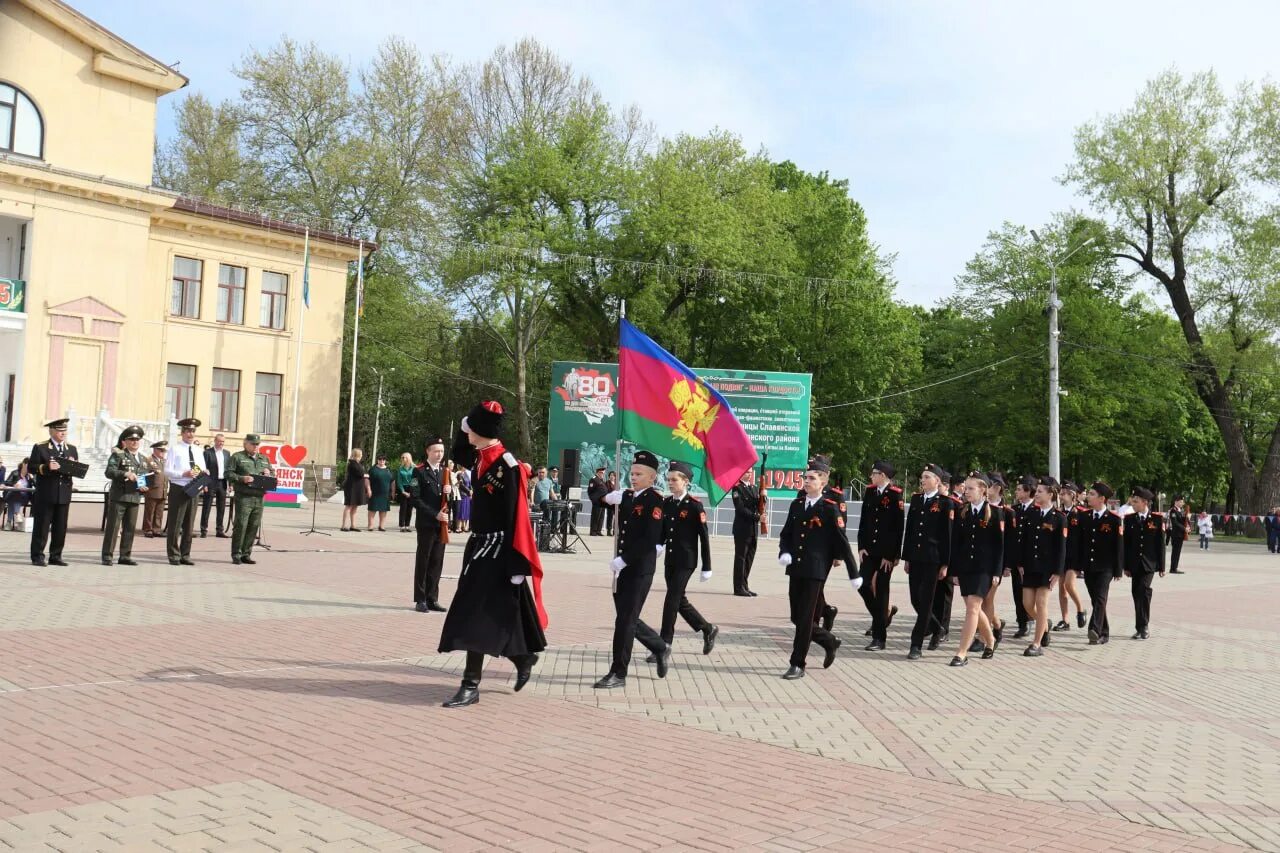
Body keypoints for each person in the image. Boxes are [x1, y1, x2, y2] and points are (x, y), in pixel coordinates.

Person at [437, 401, 548, 708]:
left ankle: (470, 684)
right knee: (504, 608)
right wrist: (466, 427)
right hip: (479, 544)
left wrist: (517, 562)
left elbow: (517, 515)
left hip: (499, 548)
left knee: (477, 613)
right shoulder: (479, 457)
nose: (467, 433)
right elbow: (458, 453)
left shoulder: (508, 465)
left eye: (471, 428)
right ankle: (523, 656)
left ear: (483, 431)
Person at [776, 456, 860, 679]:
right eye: (806, 477)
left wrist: (854, 572)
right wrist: (784, 551)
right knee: (796, 617)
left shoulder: (829, 508)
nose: (807, 480)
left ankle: (797, 663)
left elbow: (842, 540)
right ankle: (828, 640)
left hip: (816, 569)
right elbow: (786, 534)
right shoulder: (797, 505)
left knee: (805, 619)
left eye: (812, 478)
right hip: (796, 568)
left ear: (822, 483)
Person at [595, 450, 670, 689]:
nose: (634, 477)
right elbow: (596, 497)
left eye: (639, 474)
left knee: (625, 622)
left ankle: (619, 672)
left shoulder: (654, 500)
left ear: (651, 477)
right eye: (632, 472)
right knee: (627, 618)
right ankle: (660, 647)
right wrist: (607, 496)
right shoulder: (627, 496)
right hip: (622, 569)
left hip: (639, 569)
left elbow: (650, 538)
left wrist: (624, 559)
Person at [653, 461, 719, 658]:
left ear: (686, 482)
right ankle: (707, 629)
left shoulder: (694, 505)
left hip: (687, 561)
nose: (670, 483)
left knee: (671, 600)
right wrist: (659, 543)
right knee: (679, 600)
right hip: (670, 560)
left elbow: (704, 538)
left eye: (674, 480)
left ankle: (663, 645)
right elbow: (664, 530)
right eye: (668, 479)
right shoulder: (667, 503)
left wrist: (707, 566)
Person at [948, 472, 1003, 666]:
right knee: (975, 609)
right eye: (966, 487)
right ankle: (990, 641)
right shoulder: (963, 511)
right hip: (965, 568)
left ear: (983, 490)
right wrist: (953, 571)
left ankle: (962, 652)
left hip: (984, 570)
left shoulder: (995, 513)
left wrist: (997, 572)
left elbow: (1000, 546)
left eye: (971, 488)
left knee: (972, 608)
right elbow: (956, 544)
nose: (966, 491)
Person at [902, 464, 953, 660]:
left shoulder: (945, 503)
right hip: (915, 557)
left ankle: (916, 645)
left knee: (926, 602)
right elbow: (910, 530)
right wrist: (906, 557)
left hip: (933, 559)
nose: (922, 480)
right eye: (922, 477)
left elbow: (947, 536)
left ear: (937, 481)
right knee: (916, 598)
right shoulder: (916, 500)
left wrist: (946, 563)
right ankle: (937, 627)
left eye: (926, 477)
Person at [857, 460, 904, 650]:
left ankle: (879, 638)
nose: (871, 476)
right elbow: (864, 520)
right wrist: (861, 546)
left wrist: (891, 555)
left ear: (883, 475)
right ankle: (882, 616)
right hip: (869, 550)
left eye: (874, 473)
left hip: (885, 553)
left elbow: (897, 528)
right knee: (861, 583)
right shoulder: (870, 491)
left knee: (882, 592)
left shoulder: (895, 495)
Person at [1019, 477, 1067, 657]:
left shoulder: (1059, 517)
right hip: (1030, 565)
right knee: (1027, 604)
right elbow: (1023, 540)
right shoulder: (1031, 513)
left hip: (1047, 568)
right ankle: (1044, 624)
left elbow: (1061, 547)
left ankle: (1036, 644)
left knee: (1041, 603)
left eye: (1040, 491)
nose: (1036, 494)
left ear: (1050, 494)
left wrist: (1058, 571)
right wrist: (1020, 563)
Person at [1072, 481, 1124, 645]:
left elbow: (1119, 546)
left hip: (1106, 567)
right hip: (1089, 565)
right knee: (1096, 600)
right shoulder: (1084, 516)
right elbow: (1079, 543)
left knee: (1101, 598)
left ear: (1102, 499)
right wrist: (1077, 566)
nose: (1088, 497)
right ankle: (1104, 632)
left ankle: (1093, 629)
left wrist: (1118, 569)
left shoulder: (1114, 520)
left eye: (1092, 494)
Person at [30, 417, 80, 566]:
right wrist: (46, 467)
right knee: (42, 527)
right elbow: (32, 467)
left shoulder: (71, 449)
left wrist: (75, 467)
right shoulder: (41, 447)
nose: (62, 433)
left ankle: (56, 556)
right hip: (46, 494)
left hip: (63, 494)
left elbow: (75, 470)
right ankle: (38, 556)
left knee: (60, 527)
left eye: (64, 430)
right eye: (59, 430)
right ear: (52, 431)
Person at [410, 437, 450, 613]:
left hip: (441, 524)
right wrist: (435, 514)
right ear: (428, 451)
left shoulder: (445, 472)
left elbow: (448, 502)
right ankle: (420, 599)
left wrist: (451, 493)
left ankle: (432, 597)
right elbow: (415, 499)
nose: (439, 454)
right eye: (436, 451)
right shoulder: (418, 472)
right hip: (427, 523)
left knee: (437, 562)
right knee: (424, 560)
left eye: (441, 451)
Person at [101, 425, 150, 566]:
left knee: (130, 527)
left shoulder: (142, 458)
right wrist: (125, 474)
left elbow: (142, 476)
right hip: (120, 497)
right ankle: (107, 555)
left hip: (134, 496)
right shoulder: (119, 455)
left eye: (137, 439)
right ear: (126, 441)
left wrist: (143, 486)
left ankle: (125, 555)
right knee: (113, 527)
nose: (135, 442)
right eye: (131, 439)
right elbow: (109, 471)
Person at [1124, 487, 1166, 640]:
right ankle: (1139, 627)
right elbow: (1126, 544)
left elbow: (1160, 544)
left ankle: (1144, 626)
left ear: (1144, 502)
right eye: (1133, 501)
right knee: (1136, 593)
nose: (1133, 504)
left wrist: (1162, 566)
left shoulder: (1157, 519)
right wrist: (1125, 566)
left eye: (1136, 502)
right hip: (1134, 564)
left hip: (1149, 564)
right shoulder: (1129, 519)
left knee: (1144, 591)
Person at [228, 434, 275, 565]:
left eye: (257, 444)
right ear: (246, 444)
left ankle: (246, 553)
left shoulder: (264, 459)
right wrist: (242, 478)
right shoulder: (237, 457)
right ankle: (236, 554)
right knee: (241, 525)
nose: (255, 447)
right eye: (253, 444)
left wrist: (269, 473)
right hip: (244, 496)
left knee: (253, 526)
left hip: (259, 497)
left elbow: (273, 473)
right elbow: (228, 473)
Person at [163, 418, 204, 566]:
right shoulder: (175, 449)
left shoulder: (199, 450)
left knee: (189, 524)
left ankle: (185, 554)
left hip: (193, 488)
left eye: (193, 431)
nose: (190, 434)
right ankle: (173, 554)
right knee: (176, 522)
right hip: (179, 488)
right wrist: (183, 474)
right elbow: (167, 470)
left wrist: (200, 473)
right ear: (182, 433)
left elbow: (201, 467)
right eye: (187, 431)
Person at [1052, 481, 1088, 633]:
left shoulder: (1080, 513)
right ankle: (1065, 620)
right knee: (1062, 589)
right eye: (1061, 493)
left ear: (1072, 495)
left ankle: (1081, 609)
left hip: (1075, 556)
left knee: (1069, 584)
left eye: (1064, 493)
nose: (1061, 495)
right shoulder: (1058, 512)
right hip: (1062, 555)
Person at [1008, 476, 1037, 638]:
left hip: (1031, 560)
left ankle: (1035, 618)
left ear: (1028, 491)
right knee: (1017, 592)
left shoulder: (1037, 510)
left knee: (1031, 594)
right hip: (1015, 558)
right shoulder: (1014, 510)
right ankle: (1022, 622)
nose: (1016, 491)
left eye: (1019, 489)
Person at [730, 468, 762, 596]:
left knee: (749, 558)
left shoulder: (754, 488)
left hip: (753, 529)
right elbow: (740, 509)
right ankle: (738, 588)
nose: (749, 474)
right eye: (746, 472)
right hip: (742, 529)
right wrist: (757, 517)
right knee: (741, 558)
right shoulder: (737, 489)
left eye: (750, 472)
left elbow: (759, 505)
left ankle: (745, 585)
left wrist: (764, 496)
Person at [200, 433, 232, 539]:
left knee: (221, 507)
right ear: (215, 441)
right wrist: (204, 484)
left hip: (222, 483)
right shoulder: (207, 453)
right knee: (207, 506)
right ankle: (203, 529)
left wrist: (230, 484)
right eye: (219, 441)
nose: (221, 443)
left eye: (223, 441)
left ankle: (220, 530)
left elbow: (229, 470)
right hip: (210, 482)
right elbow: (204, 469)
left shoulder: (227, 453)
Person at [142, 442, 168, 537]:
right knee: (150, 511)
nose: (163, 452)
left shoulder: (165, 461)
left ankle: (157, 529)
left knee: (159, 512)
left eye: (164, 450)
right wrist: (142, 486)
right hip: (152, 490)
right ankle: (148, 529)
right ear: (155, 450)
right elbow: (142, 473)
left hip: (163, 490)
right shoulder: (148, 460)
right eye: (161, 450)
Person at [340, 449, 369, 531]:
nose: (362, 456)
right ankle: (343, 525)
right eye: (361, 454)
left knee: (355, 506)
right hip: (351, 488)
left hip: (357, 488)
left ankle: (353, 525)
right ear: (357, 455)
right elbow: (360, 473)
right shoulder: (352, 463)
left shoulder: (357, 463)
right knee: (349, 505)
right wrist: (366, 474)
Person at [4, 458, 32, 532]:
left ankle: (8, 523)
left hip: (24, 498)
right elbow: (6, 482)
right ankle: (18, 514)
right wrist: (14, 484)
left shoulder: (30, 475)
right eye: (28, 465)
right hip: (11, 494)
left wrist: (32, 478)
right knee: (16, 492)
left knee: (12, 501)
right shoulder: (15, 473)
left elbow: (37, 485)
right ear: (23, 464)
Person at [366, 454, 393, 531]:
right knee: (372, 509)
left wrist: (393, 492)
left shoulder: (388, 470)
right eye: (380, 459)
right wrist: (368, 489)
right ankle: (370, 526)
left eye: (383, 460)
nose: (382, 461)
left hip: (385, 494)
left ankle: (381, 526)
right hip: (374, 493)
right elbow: (367, 480)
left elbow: (393, 481)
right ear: (377, 460)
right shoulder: (372, 469)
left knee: (383, 510)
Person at [1167, 496, 1191, 572]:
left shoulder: (1180, 511)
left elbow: (1182, 521)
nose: (1182, 503)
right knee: (1175, 552)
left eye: (1182, 502)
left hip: (1180, 534)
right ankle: (1173, 568)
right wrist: (1184, 529)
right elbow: (1175, 523)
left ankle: (1175, 567)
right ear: (1176, 502)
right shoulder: (1173, 511)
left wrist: (1187, 517)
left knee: (1178, 552)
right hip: (1176, 534)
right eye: (1181, 502)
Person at [394, 452, 415, 532]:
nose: (403, 459)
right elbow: (399, 481)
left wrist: (412, 492)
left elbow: (415, 480)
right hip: (403, 489)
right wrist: (403, 491)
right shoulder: (400, 469)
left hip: (411, 488)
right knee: (403, 508)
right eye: (402, 457)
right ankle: (402, 526)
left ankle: (407, 525)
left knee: (410, 508)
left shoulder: (414, 468)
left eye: (404, 457)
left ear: (409, 458)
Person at [587, 466, 608, 536]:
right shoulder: (594, 479)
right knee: (595, 516)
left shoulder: (602, 480)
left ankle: (598, 530)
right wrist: (594, 500)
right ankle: (593, 531)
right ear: (597, 473)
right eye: (601, 473)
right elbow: (590, 491)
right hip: (597, 502)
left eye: (603, 473)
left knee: (601, 516)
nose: (602, 474)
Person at [456, 466, 472, 533]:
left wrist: (471, 490)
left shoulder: (466, 474)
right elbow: (461, 485)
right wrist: (469, 491)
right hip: (462, 494)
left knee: (466, 511)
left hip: (467, 494)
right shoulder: (459, 474)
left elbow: (469, 483)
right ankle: (459, 527)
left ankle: (465, 526)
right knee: (461, 510)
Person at [604, 471, 619, 535]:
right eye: (611, 475)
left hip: (616, 502)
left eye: (613, 475)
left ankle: (615, 530)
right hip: (610, 502)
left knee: (616, 517)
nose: (612, 476)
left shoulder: (617, 483)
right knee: (610, 517)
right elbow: (606, 491)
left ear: (615, 477)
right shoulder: (607, 483)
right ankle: (608, 530)